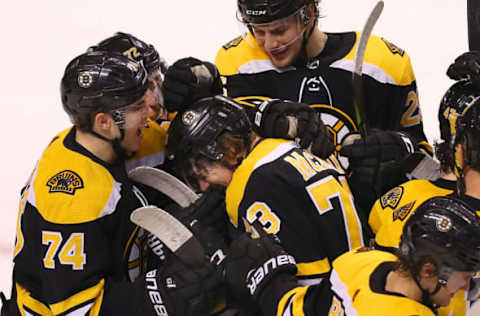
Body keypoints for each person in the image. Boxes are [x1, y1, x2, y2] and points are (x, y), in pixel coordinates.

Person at [0, 51, 222, 316]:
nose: (149, 113)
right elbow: (76, 310)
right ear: (104, 121)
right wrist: (164, 291)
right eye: (137, 106)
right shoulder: (72, 196)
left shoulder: (99, 140)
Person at [211, 0, 433, 212]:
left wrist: (398, 153)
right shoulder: (236, 64)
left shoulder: (384, 65)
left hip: (367, 228)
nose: (269, 44)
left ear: (309, 13)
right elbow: (218, 154)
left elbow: (427, 165)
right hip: (275, 226)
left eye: (279, 31)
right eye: (258, 31)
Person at [166, 95, 365, 307]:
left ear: (229, 149)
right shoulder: (290, 146)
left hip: (323, 300)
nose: (204, 187)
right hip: (361, 283)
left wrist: (221, 258)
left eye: (204, 173)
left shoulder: (246, 184)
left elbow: (268, 283)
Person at [224, 195, 480, 316]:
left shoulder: (362, 260)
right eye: (465, 276)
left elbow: (298, 309)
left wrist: (269, 282)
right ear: (427, 269)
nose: (467, 286)